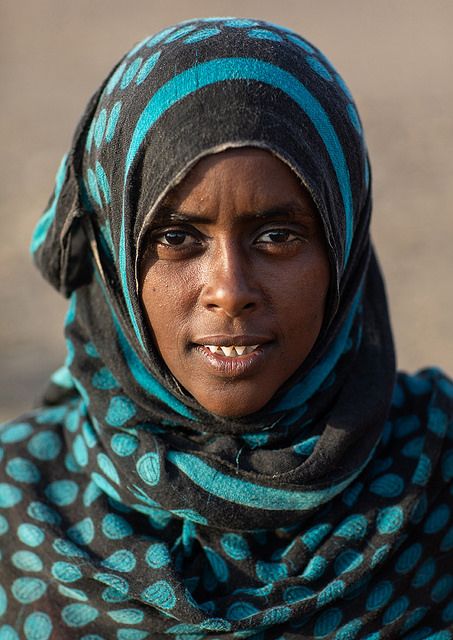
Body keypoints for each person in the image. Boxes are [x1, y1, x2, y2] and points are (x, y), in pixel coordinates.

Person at [0, 16, 452, 639]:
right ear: (113, 254)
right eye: (177, 238)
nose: (230, 292)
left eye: (277, 236)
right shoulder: (22, 504)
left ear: (341, 251)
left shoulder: (436, 473)